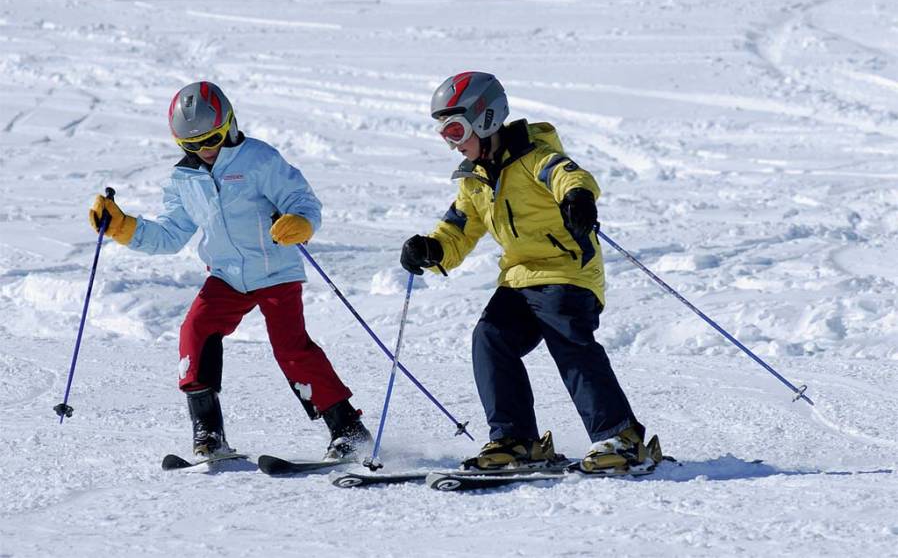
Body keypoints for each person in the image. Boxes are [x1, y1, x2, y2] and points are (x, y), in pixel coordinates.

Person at [88, 81, 371, 460]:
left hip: (275, 271)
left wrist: (301, 221)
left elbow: (301, 199)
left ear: (231, 125)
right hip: (226, 275)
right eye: (192, 145)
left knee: (291, 349)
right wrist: (123, 227)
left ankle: (348, 430)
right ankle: (209, 433)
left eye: (214, 138)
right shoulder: (183, 179)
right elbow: (171, 235)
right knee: (195, 331)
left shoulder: (259, 160)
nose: (205, 150)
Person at [400, 71, 661, 472]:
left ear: (485, 118)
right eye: (444, 135)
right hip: (519, 278)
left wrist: (577, 198)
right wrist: (432, 249)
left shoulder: (535, 156)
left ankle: (620, 438)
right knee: (490, 337)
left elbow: (568, 175)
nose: (452, 143)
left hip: (567, 271)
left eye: (456, 130)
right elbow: (457, 230)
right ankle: (514, 439)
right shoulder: (474, 180)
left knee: (566, 336)